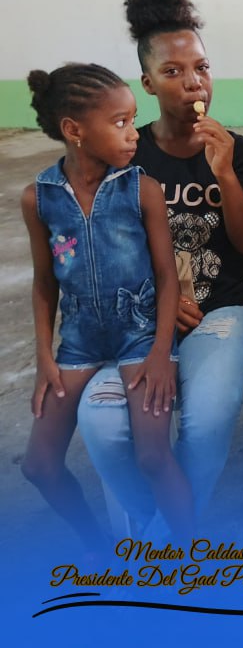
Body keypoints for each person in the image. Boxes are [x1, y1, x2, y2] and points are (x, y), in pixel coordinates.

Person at [76, 0, 243, 534]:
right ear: (148, 84)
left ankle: (162, 534)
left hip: (221, 312)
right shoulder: (124, 158)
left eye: (201, 67)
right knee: (101, 421)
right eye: (173, 72)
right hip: (137, 317)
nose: (193, 83)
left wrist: (224, 174)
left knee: (206, 423)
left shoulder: (239, 151)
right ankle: (157, 519)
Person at [22, 63, 192, 551]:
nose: (133, 133)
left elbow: (168, 278)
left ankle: (195, 560)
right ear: (74, 130)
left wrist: (161, 353)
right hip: (79, 342)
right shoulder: (39, 199)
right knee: (38, 466)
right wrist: (45, 357)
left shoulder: (142, 189)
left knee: (153, 457)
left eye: (132, 120)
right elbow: (43, 284)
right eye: (120, 123)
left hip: (140, 334)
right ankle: (98, 548)